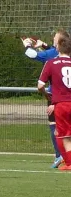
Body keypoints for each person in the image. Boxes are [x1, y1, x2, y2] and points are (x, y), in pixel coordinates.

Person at [21, 29, 70, 168]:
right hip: (66, 97)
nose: (53, 39)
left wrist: (27, 45)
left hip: (58, 97)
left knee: (57, 129)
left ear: (60, 42)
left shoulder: (53, 58)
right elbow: (55, 52)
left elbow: (32, 55)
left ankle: (60, 155)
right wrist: (45, 46)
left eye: (55, 38)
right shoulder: (61, 53)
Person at [38, 35, 71, 171]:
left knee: (63, 135)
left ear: (59, 49)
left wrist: (47, 96)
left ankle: (69, 163)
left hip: (62, 104)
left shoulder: (51, 63)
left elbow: (40, 85)